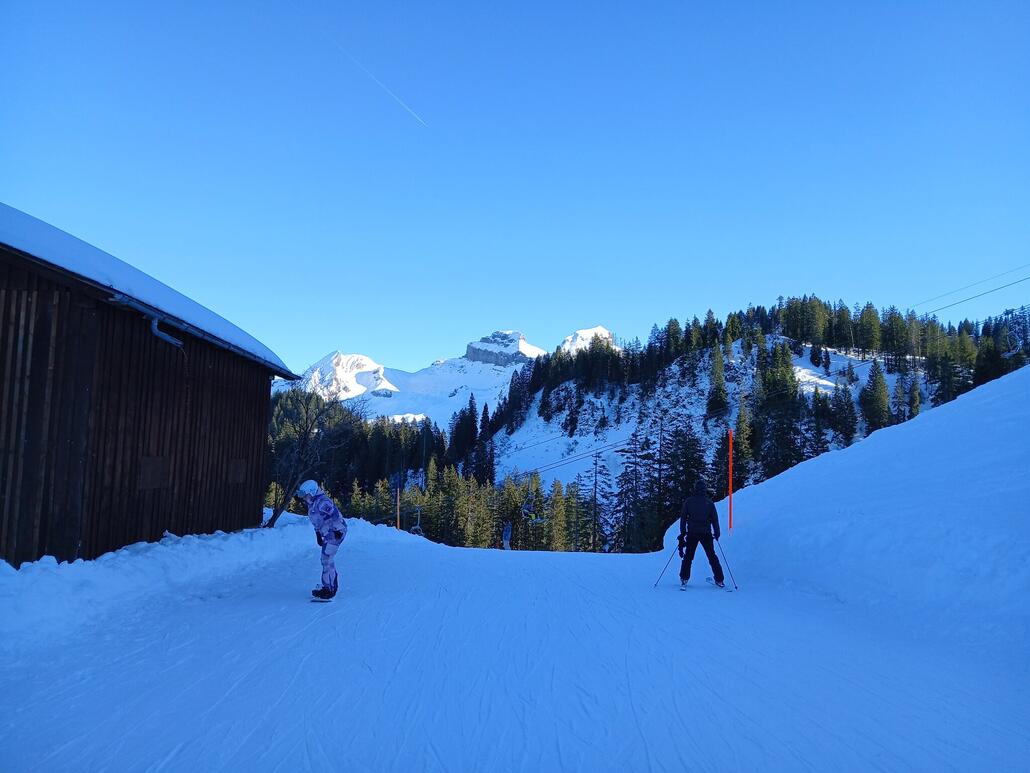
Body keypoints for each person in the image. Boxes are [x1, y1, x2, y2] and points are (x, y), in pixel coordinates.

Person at [297, 480, 348, 600]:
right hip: (328, 533)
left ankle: (329, 589)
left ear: (312, 492)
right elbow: (317, 521)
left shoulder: (322, 502)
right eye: (301, 494)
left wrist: (337, 531)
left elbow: (335, 516)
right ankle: (329, 585)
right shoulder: (312, 503)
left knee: (327, 558)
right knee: (326, 558)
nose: (303, 497)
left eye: (305, 494)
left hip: (336, 532)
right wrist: (318, 534)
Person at [677, 479, 725, 588]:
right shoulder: (709, 503)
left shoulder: (689, 501)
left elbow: (683, 518)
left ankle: (684, 578)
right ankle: (719, 579)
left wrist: (683, 532)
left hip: (692, 533)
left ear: (695, 489)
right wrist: (717, 533)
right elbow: (715, 520)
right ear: (704, 489)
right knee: (712, 556)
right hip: (706, 533)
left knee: (688, 556)